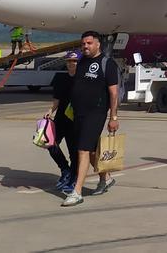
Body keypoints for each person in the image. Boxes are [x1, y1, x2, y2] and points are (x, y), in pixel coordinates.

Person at [62, 31, 120, 207]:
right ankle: (105, 178)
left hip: (96, 113)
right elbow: (77, 83)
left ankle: (77, 191)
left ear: (97, 44)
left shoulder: (107, 64)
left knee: (83, 151)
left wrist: (113, 117)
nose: (85, 46)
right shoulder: (81, 62)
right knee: (92, 151)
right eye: (83, 44)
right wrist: (71, 66)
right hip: (78, 113)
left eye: (88, 43)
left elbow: (114, 93)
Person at [46, 50, 80, 193]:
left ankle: (72, 178)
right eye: (69, 61)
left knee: (74, 153)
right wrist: (50, 111)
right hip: (61, 119)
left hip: (75, 121)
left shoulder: (83, 80)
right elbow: (57, 99)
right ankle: (64, 169)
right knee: (50, 144)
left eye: (74, 61)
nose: (71, 64)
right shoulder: (61, 79)